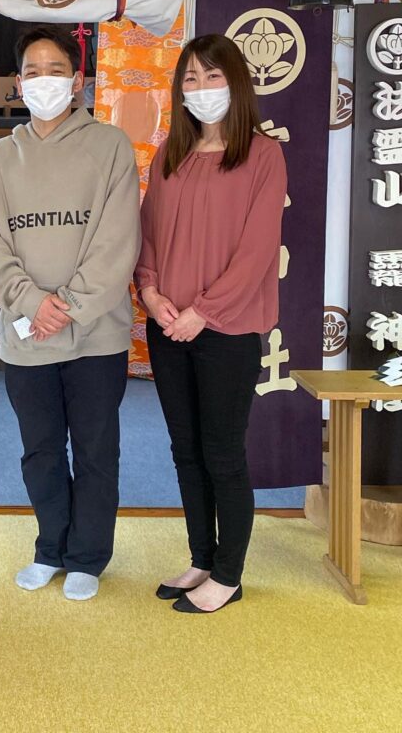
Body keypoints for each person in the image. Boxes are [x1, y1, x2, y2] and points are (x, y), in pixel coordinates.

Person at [0, 25, 141, 602]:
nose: (45, 80)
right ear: (20, 84)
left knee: (95, 448)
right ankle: (51, 547)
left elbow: (117, 241)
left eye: (56, 70)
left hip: (96, 334)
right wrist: (30, 302)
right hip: (26, 336)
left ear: (78, 79)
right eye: (33, 72)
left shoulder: (111, 146)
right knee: (40, 448)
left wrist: (65, 307)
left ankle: (89, 556)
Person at [135, 33, 287, 614]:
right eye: (191, 79)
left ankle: (230, 572)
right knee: (184, 449)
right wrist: (149, 290)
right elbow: (148, 235)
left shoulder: (263, 156)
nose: (200, 89)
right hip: (168, 324)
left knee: (223, 452)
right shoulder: (168, 155)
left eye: (213, 76)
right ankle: (201, 557)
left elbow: (256, 252)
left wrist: (204, 312)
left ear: (238, 83)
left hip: (226, 329)